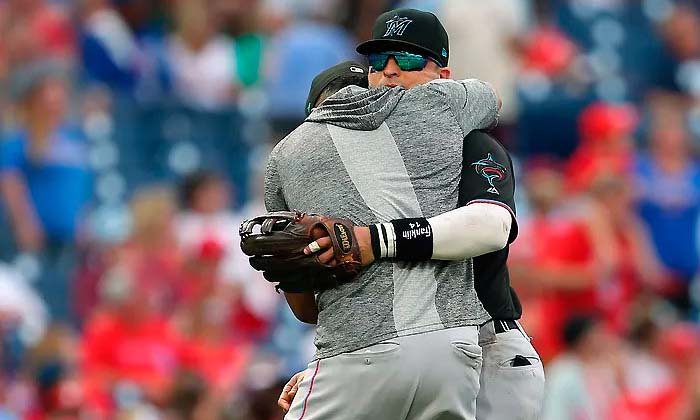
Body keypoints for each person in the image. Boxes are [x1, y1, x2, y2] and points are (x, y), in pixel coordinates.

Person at [262, 8, 514, 420]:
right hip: (454, 353)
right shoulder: (449, 107)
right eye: (378, 63)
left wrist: (370, 242)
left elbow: (305, 308)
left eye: (409, 60)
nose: (390, 72)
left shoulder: (285, 155)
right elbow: (493, 95)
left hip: (372, 352)